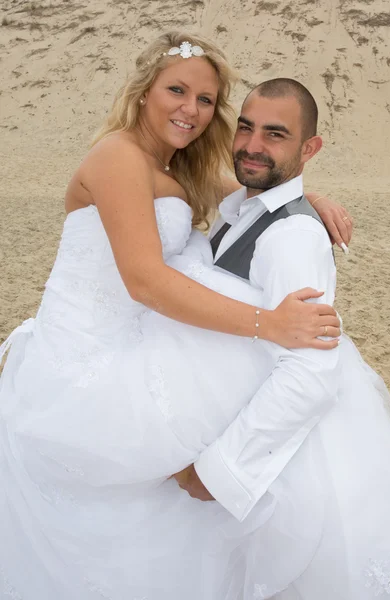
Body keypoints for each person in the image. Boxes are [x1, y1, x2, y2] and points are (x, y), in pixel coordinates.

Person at [0, 32, 355, 599]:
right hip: (84, 360)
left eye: (207, 100)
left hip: (132, 345)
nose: (190, 110)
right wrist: (269, 324)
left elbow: (243, 189)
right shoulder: (117, 156)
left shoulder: (176, 168)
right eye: (177, 91)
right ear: (144, 93)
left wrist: (312, 197)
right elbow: (145, 281)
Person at [174, 78, 390, 599]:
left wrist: (221, 472)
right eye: (246, 127)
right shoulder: (245, 211)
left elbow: (309, 373)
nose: (253, 145)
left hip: (282, 465)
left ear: (309, 148)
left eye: (275, 134)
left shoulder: (292, 236)